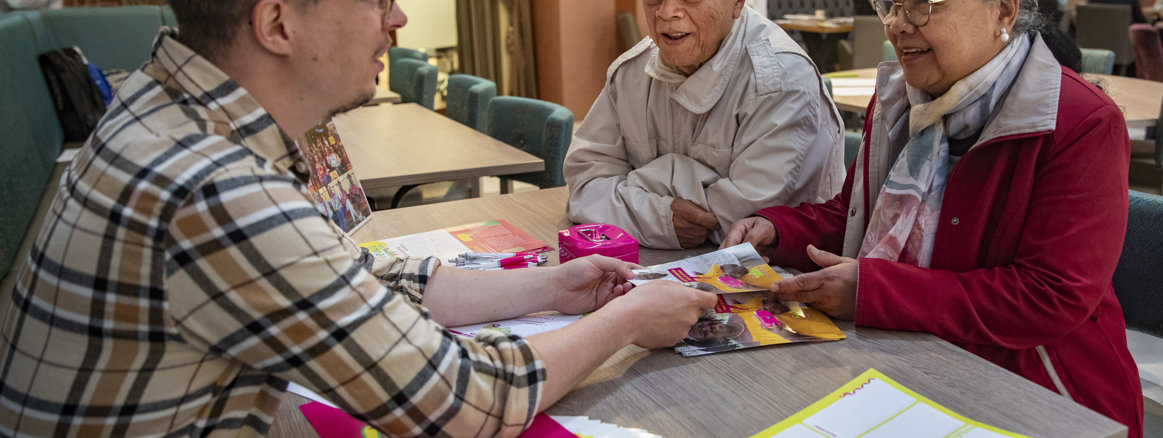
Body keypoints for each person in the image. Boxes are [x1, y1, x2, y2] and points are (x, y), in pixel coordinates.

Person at [0, 1, 717, 436]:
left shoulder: (159, 110)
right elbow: (469, 407)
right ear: (277, 23)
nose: (397, 19)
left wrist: (548, 288)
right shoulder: (217, 190)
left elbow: (349, 275)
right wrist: (631, 320)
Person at [721, 0, 1143, 435]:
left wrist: (872, 290)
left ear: (1003, 12)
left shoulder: (1080, 122)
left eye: (922, 5)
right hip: (912, 357)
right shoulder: (899, 101)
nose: (898, 25)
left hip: (1043, 390)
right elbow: (856, 216)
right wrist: (776, 231)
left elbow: (1050, 294)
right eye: (890, 5)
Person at [563, 0, 845, 250]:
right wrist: (661, 216)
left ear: (736, 3)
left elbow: (745, 223)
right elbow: (585, 188)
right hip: (660, 265)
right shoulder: (631, 72)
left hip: (780, 281)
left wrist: (633, 187)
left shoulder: (780, 79)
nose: (666, 11)